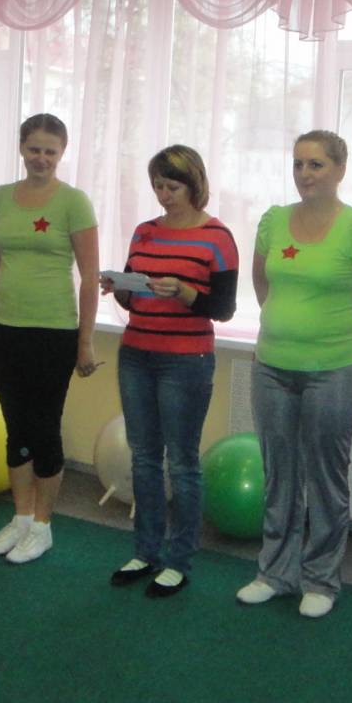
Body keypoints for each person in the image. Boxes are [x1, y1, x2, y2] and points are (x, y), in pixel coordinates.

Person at [235, 130, 352, 618]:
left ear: (340, 170)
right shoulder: (273, 221)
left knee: (326, 479)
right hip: (272, 368)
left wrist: (347, 347)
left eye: (316, 164)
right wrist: (286, 330)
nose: (305, 173)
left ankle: (321, 580)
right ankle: (275, 573)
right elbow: (263, 286)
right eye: (299, 163)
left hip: (334, 371)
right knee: (279, 474)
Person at [100, 145, 239, 598]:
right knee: (143, 457)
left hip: (186, 360)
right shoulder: (145, 231)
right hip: (136, 353)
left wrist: (184, 292)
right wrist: (119, 288)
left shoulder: (217, 237)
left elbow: (223, 308)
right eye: (158, 186)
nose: (164, 195)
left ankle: (178, 560)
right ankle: (146, 551)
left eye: (172, 186)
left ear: (194, 184)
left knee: (181, 462)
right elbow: (133, 296)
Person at [0, 113, 101, 565]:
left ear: (62, 153)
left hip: (54, 332)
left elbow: (89, 278)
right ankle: (21, 518)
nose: (41, 158)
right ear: (21, 148)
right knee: (16, 427)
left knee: (44, 428)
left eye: (50, 151)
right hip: (6, 330)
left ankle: (43, 526)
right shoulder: (0, 198)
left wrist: (85, 341)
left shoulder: (73, 202)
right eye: (34, 149)